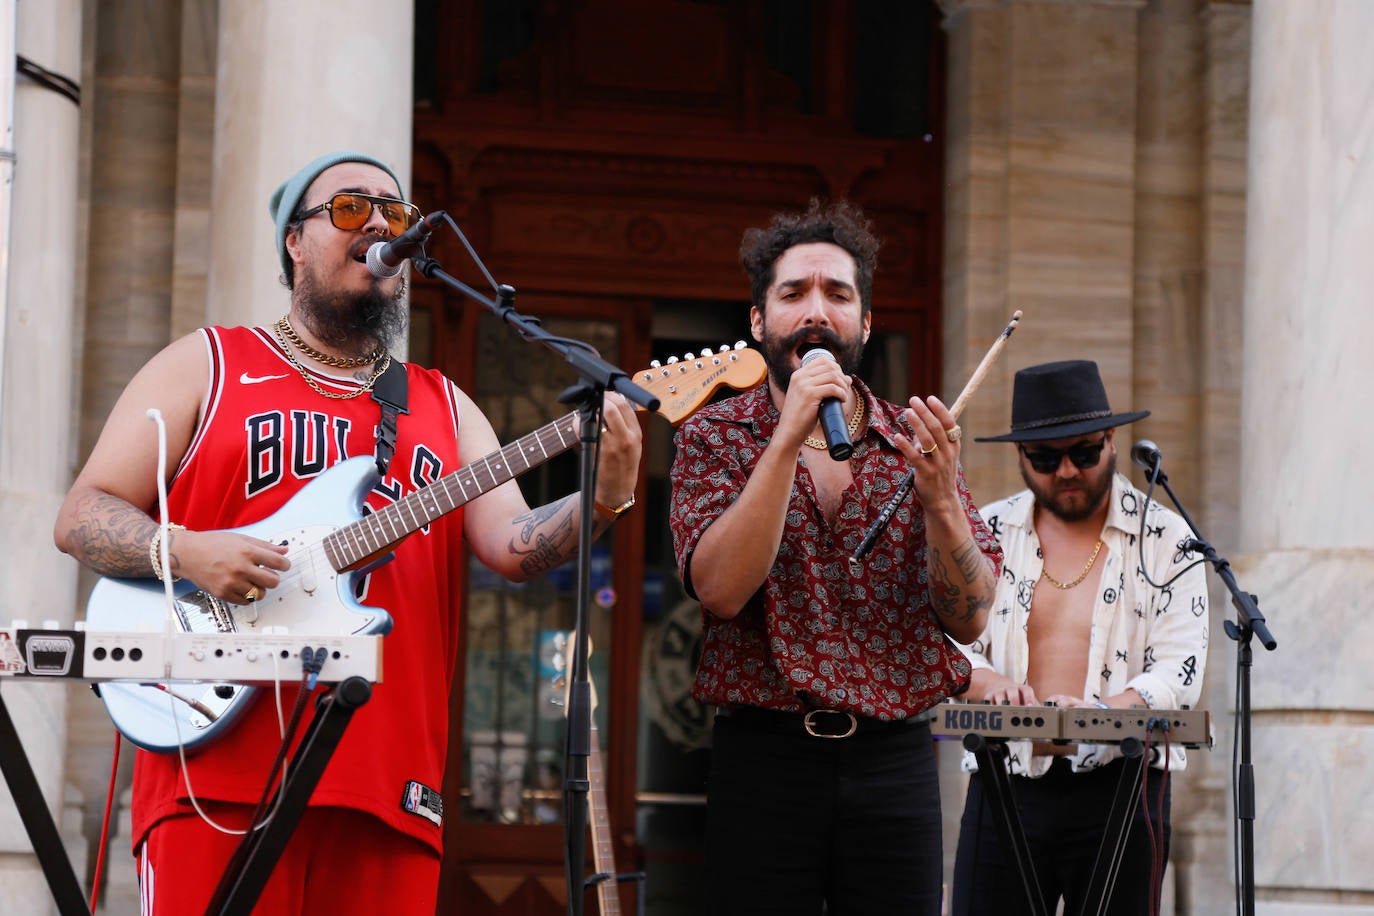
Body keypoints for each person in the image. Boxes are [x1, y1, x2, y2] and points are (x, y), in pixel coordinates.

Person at [52, 150, 643, 915]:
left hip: (387, 782)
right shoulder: (208, 364)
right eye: (349, 210)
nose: (377, 228)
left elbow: (515, 547)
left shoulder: (446, 405)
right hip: (216, 765)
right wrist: (187, 551)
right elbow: (81, 514)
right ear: (294, 242)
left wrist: (606, 501)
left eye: (393, 216)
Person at [667, 199, 1003, 915]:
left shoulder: (912, 441)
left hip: (895, 761)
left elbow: (970, 618)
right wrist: (784, 441)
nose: (815, 311)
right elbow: (721, 591)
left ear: (866, 323)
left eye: (837, 295)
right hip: (765, 760)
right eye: (793, 294)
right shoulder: (714, 437)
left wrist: (942, 501)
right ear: (758, 321)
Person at [950, 359, 1209, 916]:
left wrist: (1101, 710)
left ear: (1111, 442)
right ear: (1019, 456)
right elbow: (946, 642)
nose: (1066, 470)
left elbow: (1179, 669)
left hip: (1124, 783)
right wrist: (987, 679)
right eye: (1045, 458)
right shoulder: (985, 532)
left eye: (1083, 453)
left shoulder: (1167, 538)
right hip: (1005, 777)